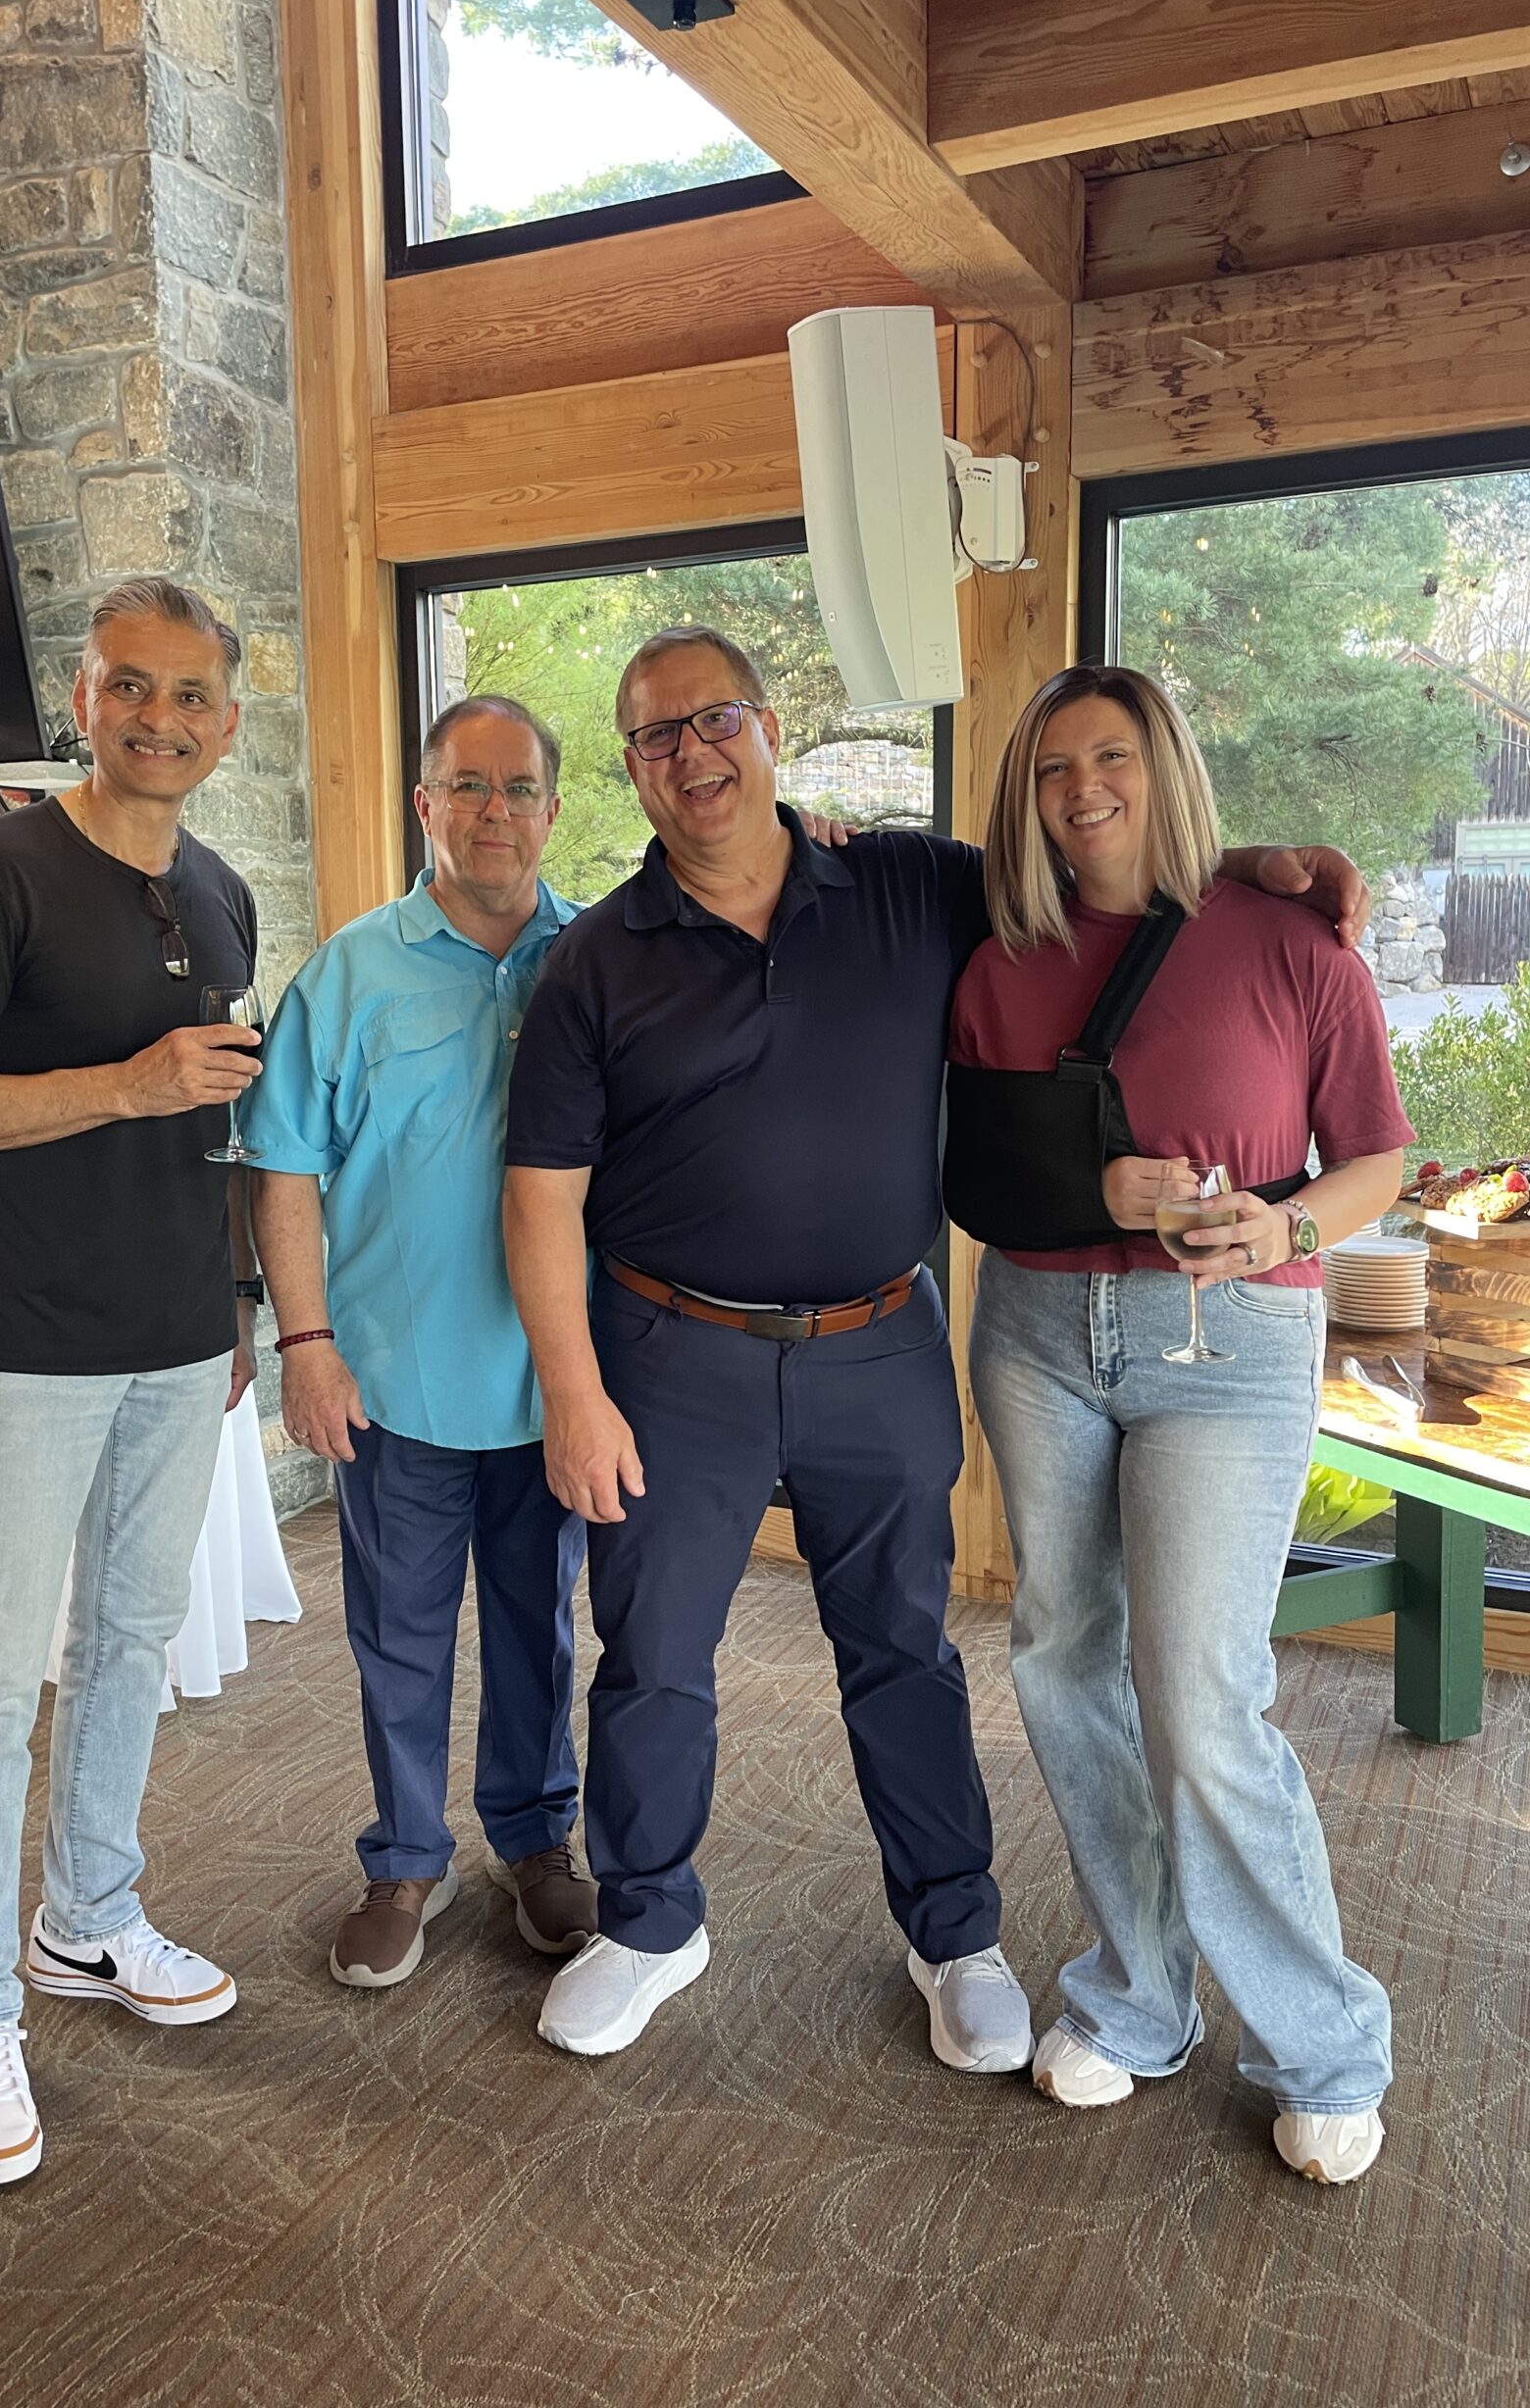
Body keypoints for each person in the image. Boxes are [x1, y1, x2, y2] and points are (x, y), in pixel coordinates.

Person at [500, 624, 1370, 2065]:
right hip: (670, 1355)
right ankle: (647, 1921)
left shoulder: (911, 885)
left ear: (769, 730)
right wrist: (572, 1392)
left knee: (905, 1647)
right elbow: (541, 1194)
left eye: (715, 719)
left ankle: (954, 1932)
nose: (691, 753)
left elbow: (1095, 864)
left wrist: (1257, 862)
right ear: (635, 770)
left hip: (875, 1346)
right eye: (655, 735)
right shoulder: (595, 958)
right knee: (650, 1652)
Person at [951, 661, 1405, 2185]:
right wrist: (1093, 1188)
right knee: (1062, 1653)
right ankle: (1137, 1994)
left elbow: (1377, 1158)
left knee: (1200, 1692)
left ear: (1165, 766)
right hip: (1035, 1330)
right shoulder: (997, 951)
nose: (1082, 790)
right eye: (1053, 767)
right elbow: (974, 1168)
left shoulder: (1290, 939)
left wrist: (1285, 1228)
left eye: (1113, 758)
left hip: (1230, 1337)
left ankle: (1322, 2044)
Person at [0, 577, 264, 2189]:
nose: (160, 718)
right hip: (25, 1344)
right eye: (129, 687)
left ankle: (88, 1918)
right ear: (83, 701)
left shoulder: (222, 890)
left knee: (129, 1645)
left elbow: (218, 1121)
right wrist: (121, 1085)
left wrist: (237, 1301)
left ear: (226, 725)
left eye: (190, 695)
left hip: (179, 1338)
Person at [239, 696, 596, 1989]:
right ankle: (404, 1858)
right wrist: (305, 1341)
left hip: (554, 1382)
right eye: (468, 786)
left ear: (551, 808)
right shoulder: (348, 974)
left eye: (520, 787)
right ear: (424, 803)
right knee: (397, 1630)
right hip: (393, 1381)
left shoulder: (602, 959)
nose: (496, 811)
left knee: (539, 1623)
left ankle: (535, 1839)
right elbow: (282, 1164)